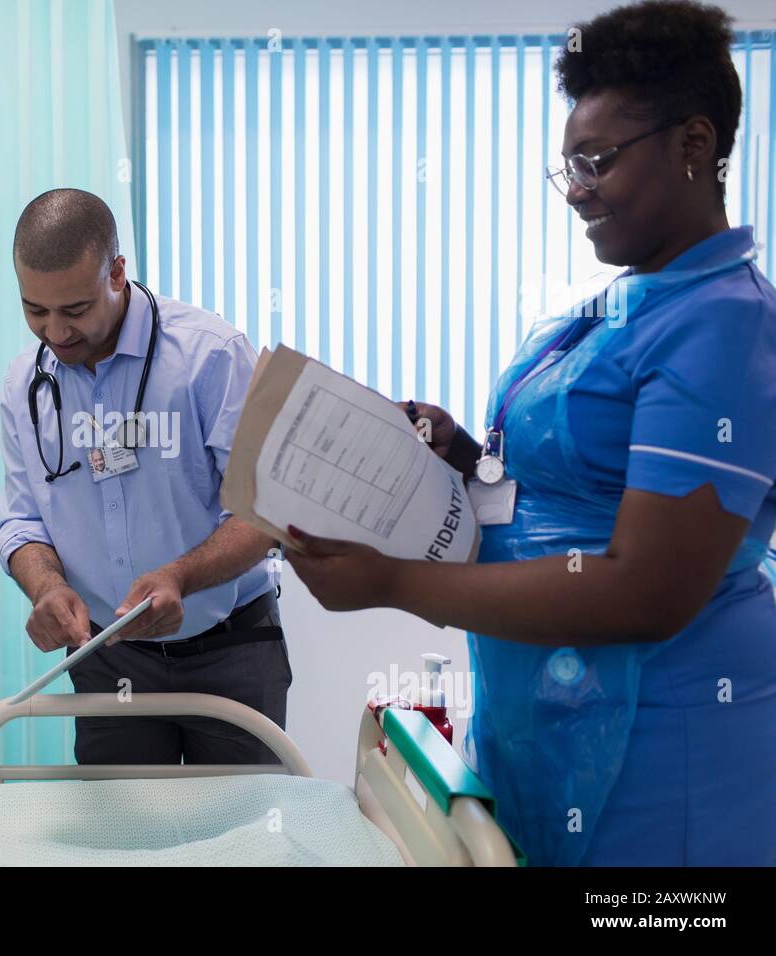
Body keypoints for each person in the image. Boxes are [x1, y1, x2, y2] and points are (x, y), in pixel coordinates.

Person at [287, 0, 775, 865]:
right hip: (550, 725)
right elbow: (566, 487)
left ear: (693, 145)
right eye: (568, 169)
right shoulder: (620, 306)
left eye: (596, 161)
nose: (578, 188)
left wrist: (392, 583)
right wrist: (464, 459)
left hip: (663, 756)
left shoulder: (723, 325)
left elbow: (645, 592)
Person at [0, 188, 288, 766]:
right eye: (36, 310)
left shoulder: (211, 356)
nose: (55, 334)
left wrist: (181, 575)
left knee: (242, 842)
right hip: (109, 658)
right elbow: (22, 522)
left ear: (117, 273)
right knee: (123, 840)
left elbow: (264, 513)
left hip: (229, 648)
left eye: (75, 310)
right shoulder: (24, 387)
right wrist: (48, 588)